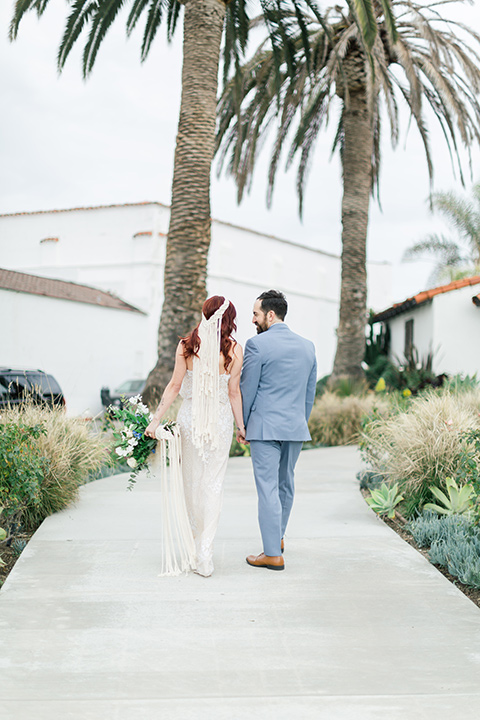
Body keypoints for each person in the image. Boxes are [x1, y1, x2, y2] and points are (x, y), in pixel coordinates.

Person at [145, 296, 244, 577]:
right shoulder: (236, 350)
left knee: (191, 482)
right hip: (220, 422)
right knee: (212, 484)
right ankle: (204, 554)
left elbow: (174, 385)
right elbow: (234, 392)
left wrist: (156, 419)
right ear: (229, 320)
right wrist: (241, 427)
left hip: (189, 421)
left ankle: (193, 548)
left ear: (205, 314)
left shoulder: (187, 346)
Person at [238, 290, 317, 571]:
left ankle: (272, 554)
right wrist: (299, 422)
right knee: (286, 484)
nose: (253, 319)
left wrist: (242, 425)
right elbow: (310, 394)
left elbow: (247, 389)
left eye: (256, 314)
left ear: (271, 315)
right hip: (295, 427)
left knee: (268, 489)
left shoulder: (257, 345)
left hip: (264, 428)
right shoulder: (308, 347)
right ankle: (278, 537)